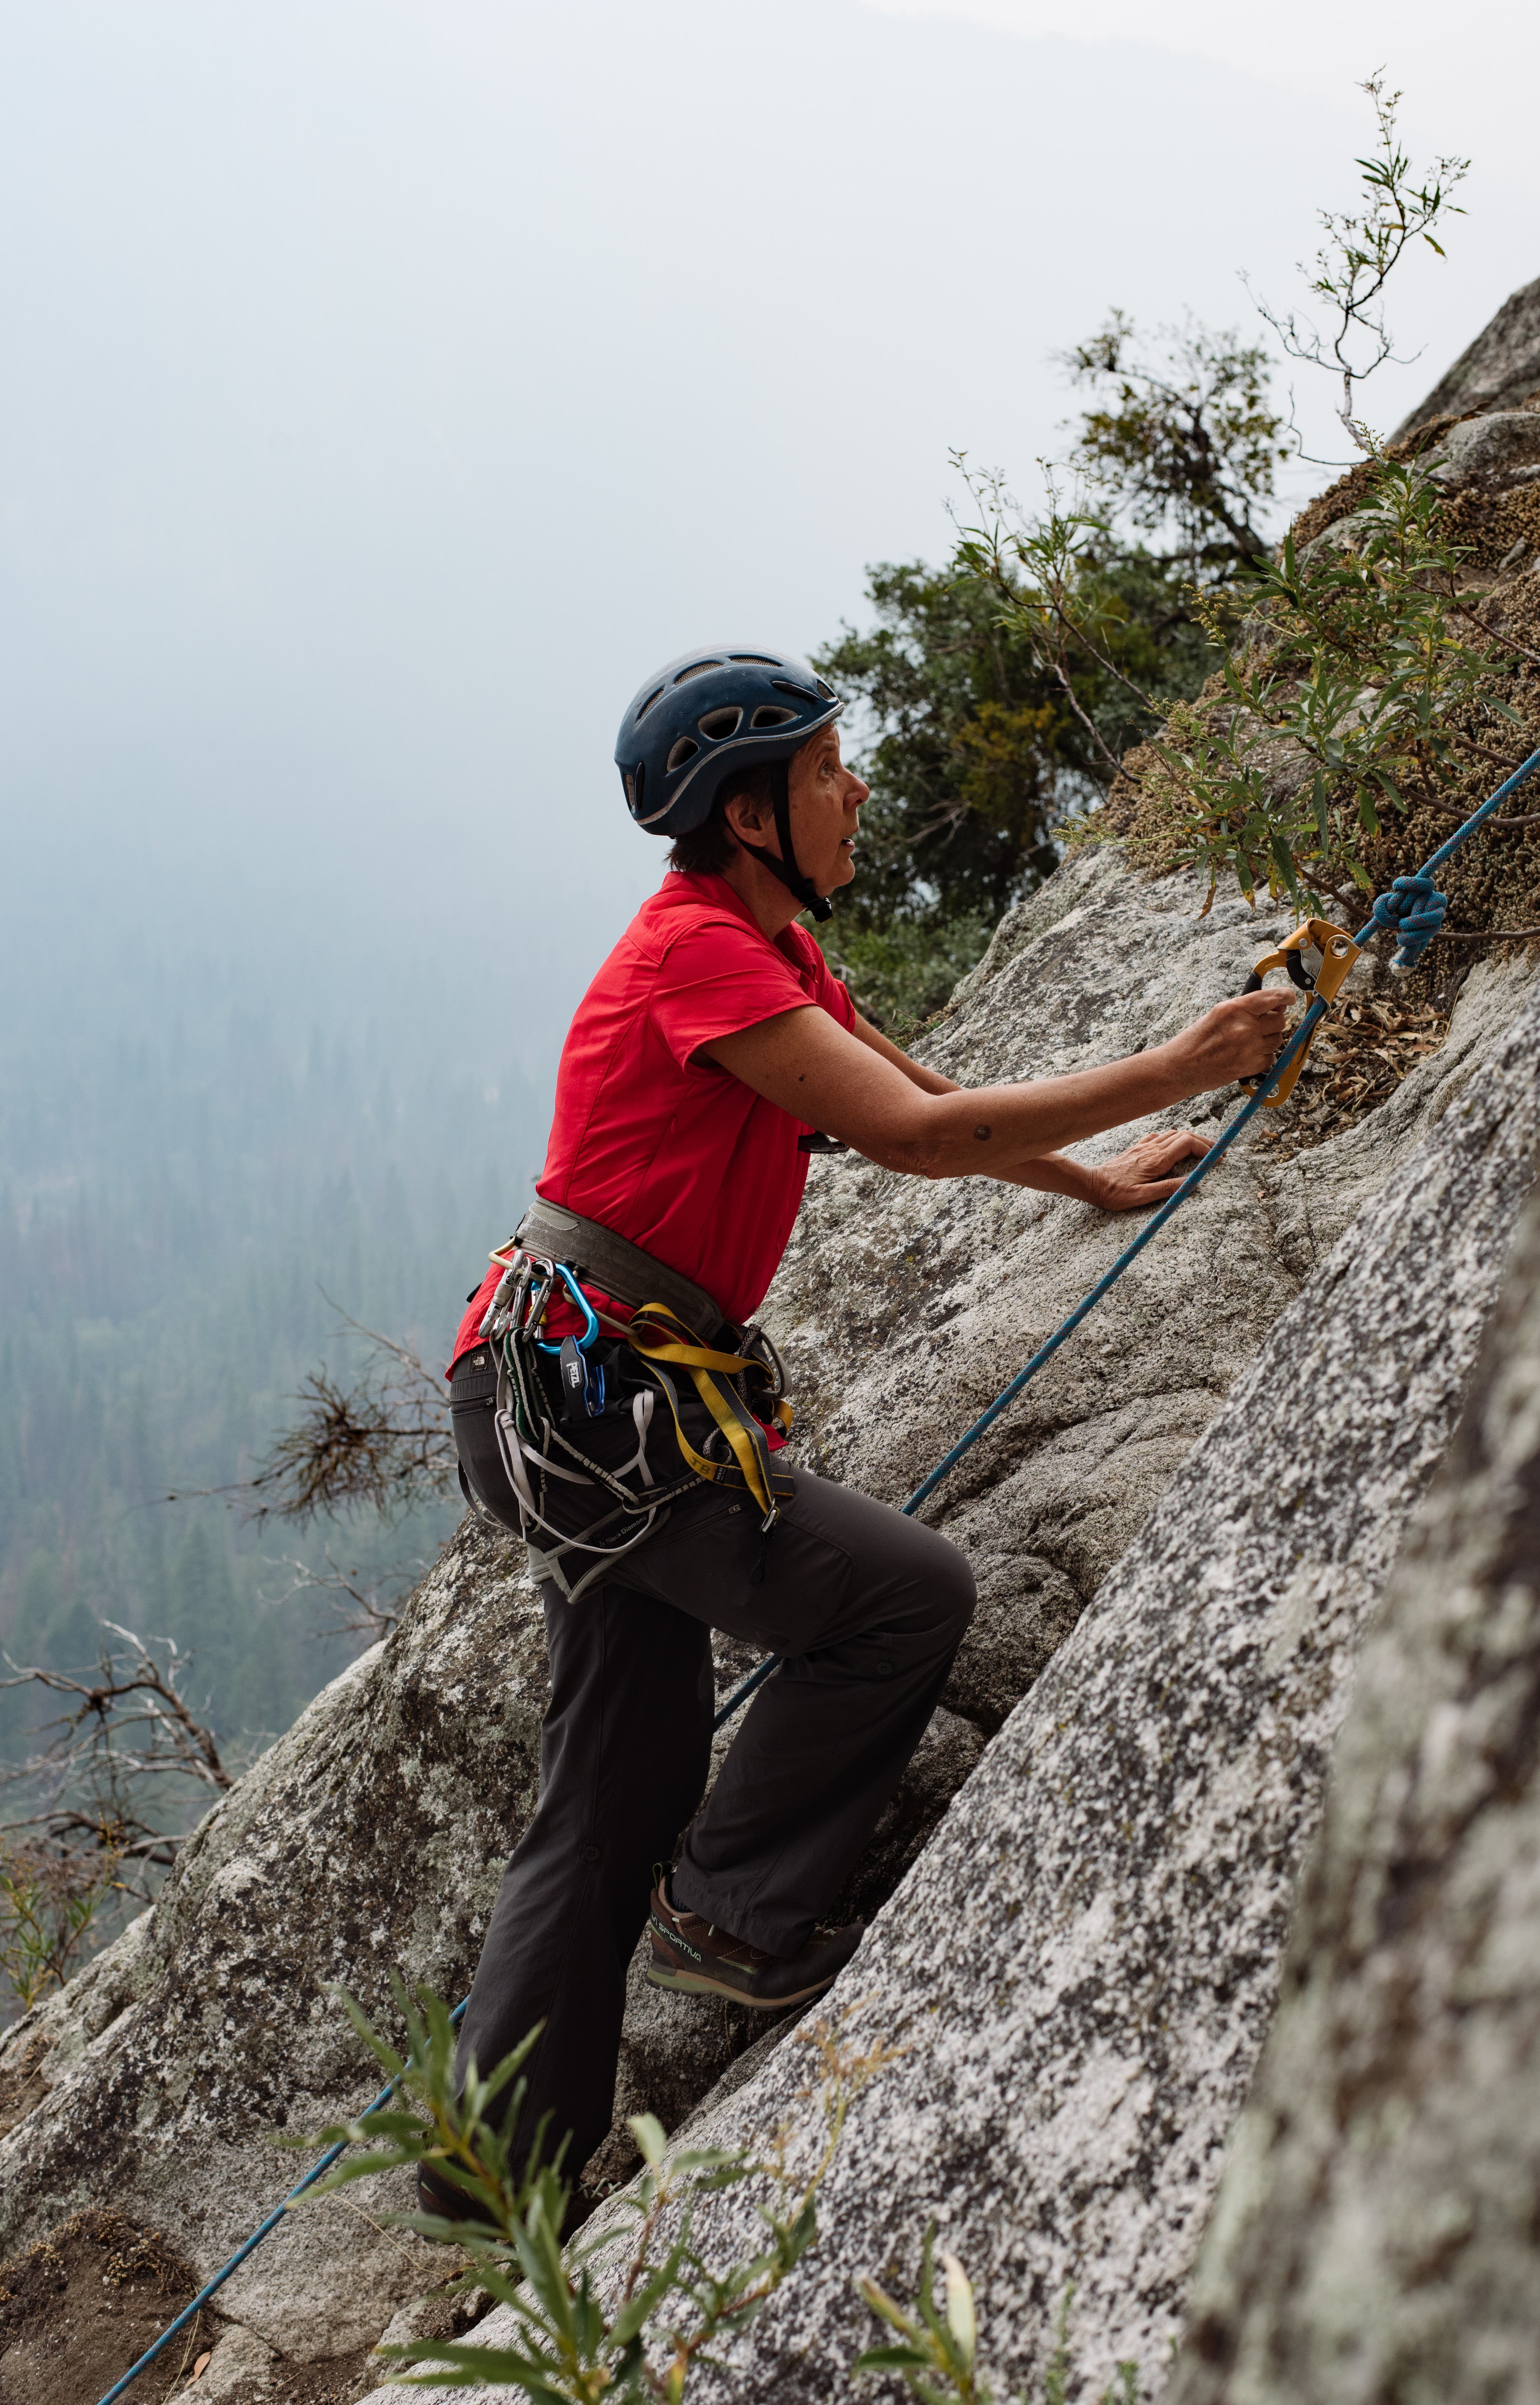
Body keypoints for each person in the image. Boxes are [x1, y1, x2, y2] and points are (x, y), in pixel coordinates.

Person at [438, 644, 1293, 2205]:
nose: (858, 789)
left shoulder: (768, 954)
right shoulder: (698, 956)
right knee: (905, 1596)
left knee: (612, 1787)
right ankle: (738, 1918)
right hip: (597, 1405)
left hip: (576, 1401)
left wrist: (1099, 1175)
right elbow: (912, 1130)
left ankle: (501, 2172)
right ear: (750, 812)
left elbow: (926, 1103)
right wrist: (1181, 1057)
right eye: (830, 770)